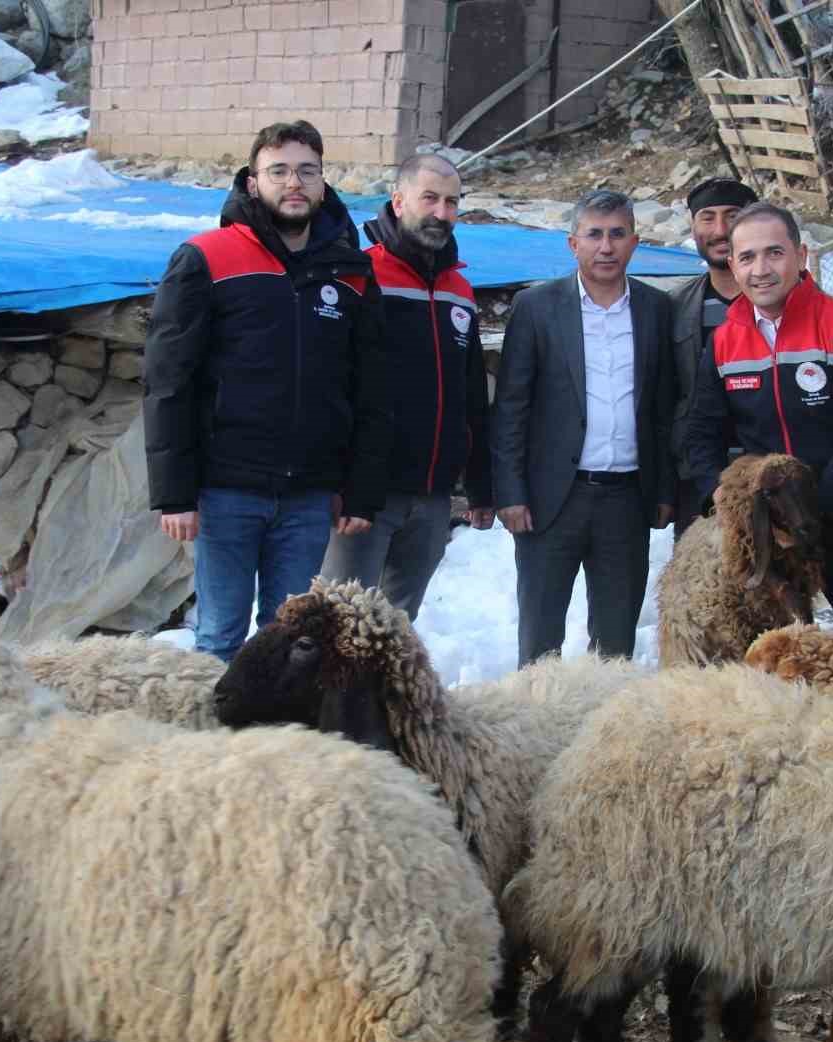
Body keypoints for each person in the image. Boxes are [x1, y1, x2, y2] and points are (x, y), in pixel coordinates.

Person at [143, 119, 391, 662]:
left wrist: (360, 488)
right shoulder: (206, 258)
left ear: (323, 183)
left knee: (290, 646)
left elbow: (370, 387)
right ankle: (212, 722)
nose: (293, 183)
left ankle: (274, 724)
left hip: (308, 496)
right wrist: (174, 494)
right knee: (219, 638)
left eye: (307, 171)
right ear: (253, 183)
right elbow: (168, 382)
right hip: (227, 490)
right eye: (278, 171)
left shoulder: (350, 271)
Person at [685, 201, 833, 643]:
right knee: (775, 655)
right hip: (770, 532)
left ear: (801, 256)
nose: (761, 269)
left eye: (774, 253)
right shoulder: (724, 341)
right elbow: (700, 433)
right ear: (733, 265)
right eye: (747, 257)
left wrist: (809, 509)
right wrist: (722, 494)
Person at [491, 189, 676, 666]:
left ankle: (606, 715)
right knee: (539, 638)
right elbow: (511, 406)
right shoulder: (537, 307)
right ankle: (536, 712)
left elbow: (663, 408)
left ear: (634, 242)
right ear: (573, 244)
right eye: (594, 235)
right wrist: (510, 492)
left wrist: (663, 489)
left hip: (626, 501)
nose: (606, 247)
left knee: (615, 643)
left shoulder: (657, 309)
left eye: (617, 234)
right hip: (551, 499)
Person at [319, 152, 494, 620]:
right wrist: (343, 483)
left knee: (397, 628)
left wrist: (480, 484)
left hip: (433, 497)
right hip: (365, 496)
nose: (441, 212)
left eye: (452, 202)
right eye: (429, 199)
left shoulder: (460, 289)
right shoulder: (360, 274)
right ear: (398, 202)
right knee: (340, 623)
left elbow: (471, 393)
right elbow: (331, 386)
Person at [668, 176, 758, 539]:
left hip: (771, 475)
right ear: (693, 227)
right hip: (698, 480)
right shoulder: (675, 307)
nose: (720, 230)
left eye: (732, 215)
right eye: (708, 218)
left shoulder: (779, 303)